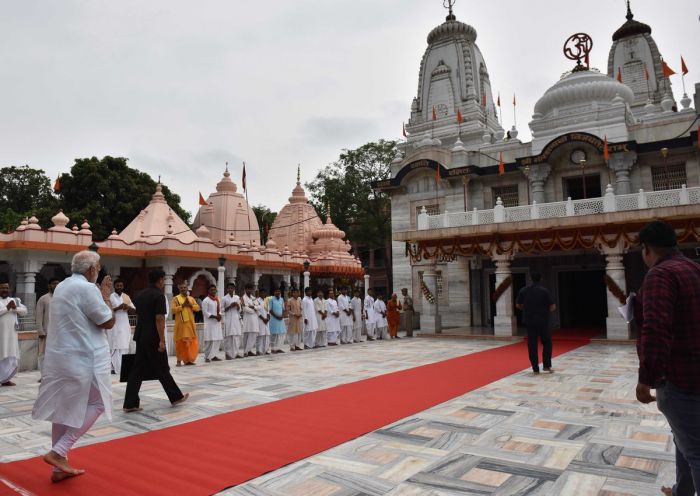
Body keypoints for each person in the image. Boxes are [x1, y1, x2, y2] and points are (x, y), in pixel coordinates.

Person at [32, 251, 114, 482]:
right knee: (98, 403)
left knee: (64, 408)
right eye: (98, 267)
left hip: (60, 357)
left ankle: (58, 468)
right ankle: (58, 452)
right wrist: (106, 296)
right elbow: (106, 321)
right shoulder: (88, 289)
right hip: (85, 357)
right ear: (91, 270)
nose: (98, 271)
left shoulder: (63, 286)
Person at [634, 221, 700, 496]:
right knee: (683, 439)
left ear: (646, 248)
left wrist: (645, 378)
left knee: (695, 449)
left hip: (679, 375)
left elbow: (656, 329)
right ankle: (681, 490)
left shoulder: (660, 275)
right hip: (696, 371)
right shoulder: (694, 268)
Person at [123, 269, 188, 413]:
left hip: (141, 336)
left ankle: (130, 403)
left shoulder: (139, 295)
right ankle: (175, 396)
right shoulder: (158, 296)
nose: (163, 282)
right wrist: (162, 340)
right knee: (162, 368)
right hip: (153, 337)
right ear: (160, 280)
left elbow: (138, 314)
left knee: (137, 370)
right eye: (163, 280)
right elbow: (159, 319)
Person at [516, 272, 556, 374]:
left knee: (532, 345)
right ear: (541, 279)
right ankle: (546, 366)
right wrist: (545, 310)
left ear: (531, 278)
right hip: (543, 320)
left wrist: (526, 309)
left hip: (529, 321)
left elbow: (518, 305)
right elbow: (552, 306)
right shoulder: (544, 291)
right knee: (547, 343)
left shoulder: (523, 290)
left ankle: (535, 368)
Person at [0, 276, 28, 387]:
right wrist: (7, 308)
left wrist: (14, 308)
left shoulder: (15, 300)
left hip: (12, 334)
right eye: (2, 288)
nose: (5, 290)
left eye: (6, 288)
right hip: (0, 335)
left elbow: (24, 311)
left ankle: (6, 379)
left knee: (11, 356)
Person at [108, 279, 135, 376]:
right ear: (114, 286)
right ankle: (113, 368)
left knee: (124, 346)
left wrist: (128, 308)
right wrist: (118, 308)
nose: (119, 287)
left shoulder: (126, 297)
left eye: (121, 285)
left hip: (125, 325)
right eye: (117, 285)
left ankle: (122, 368)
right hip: (114, 325)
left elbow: (134, 310)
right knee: (115, 347)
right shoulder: (110, 297)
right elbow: (107, 310)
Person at [35, 278, 59, 381]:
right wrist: (40, 331)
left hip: (58, 333)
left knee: (57, 355)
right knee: (43, 355)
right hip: (46, 332)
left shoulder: (62, 298)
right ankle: (43, 375)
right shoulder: (43, 299)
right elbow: (39, 315)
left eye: (58, 284)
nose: (56, 286)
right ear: (49, 285)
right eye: (53, 284)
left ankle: (54, 374)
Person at [171, 283, 200, 366]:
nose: (183, 289)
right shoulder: (176, 299)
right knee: (180, 342)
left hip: (190, 324)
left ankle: (189, 360)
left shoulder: (191, 299)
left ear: (187, 289)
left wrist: (190, 305)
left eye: (184, 287)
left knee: (190, 343)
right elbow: (173, 310)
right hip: (181, 325)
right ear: (179, 289)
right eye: (181, 288)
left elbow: (198, 308)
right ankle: (179, 360)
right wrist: (182, 306)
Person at [201, 284, 223, 362]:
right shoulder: (206, 300)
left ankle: (213, 355)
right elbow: (205, 313)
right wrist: (215, 317)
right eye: (211, 290)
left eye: (214, 290)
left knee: (217, 339)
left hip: (217, 323)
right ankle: (207, 356)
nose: (213, 291)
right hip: (209, 323)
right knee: (209, 340)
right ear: (208, 291)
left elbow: (220, 309)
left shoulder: (218, 299)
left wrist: (219, 315)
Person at [222, 283, 242, 359]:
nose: (230, 289)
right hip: (228, 319)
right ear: (227, 289)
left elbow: (240, 310)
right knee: (229, 337)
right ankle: (228, 354)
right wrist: (230, 306)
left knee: (236, 336)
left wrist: (237, 306)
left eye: (232, 288)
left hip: (236, 318)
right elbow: (222, 310)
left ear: (234, 289)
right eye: (229, 288)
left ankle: (236, 353)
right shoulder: (224, 298)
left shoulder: (237, 297)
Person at [241, 284, 259, 356]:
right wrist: (254, 309)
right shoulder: (243, 298)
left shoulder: (253, 298)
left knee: (253, 335)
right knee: (246, 336)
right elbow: (245, 308)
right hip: (247, 319)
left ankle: (248, 350)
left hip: (254, 320)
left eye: (251, 289)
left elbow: (259, 307)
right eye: (248, 289)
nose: (249, 290)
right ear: (245, 289)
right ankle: (246, 351)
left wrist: (253, 307)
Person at [269, 288, 287, 353]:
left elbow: (283, 309)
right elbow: (270, 310)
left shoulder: (281, 299)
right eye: (276, 291)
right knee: (274, 334)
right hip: (274, 319)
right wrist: (276, 316)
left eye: (279, 291)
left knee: (281, 333)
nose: (278, 292)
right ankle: (273, 349)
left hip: (281, 319)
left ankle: (278, 348)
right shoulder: (271, 299)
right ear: (274, 292)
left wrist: (282, 315)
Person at [256, 289, 271, 355]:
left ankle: (266, 350)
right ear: (259, 293)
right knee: (260, 336)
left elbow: (268, 311)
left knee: (267, 335)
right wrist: (263, 319)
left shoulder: (266, 300)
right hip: (260, 320)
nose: (263, 294)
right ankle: (259, 350)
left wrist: (267, 318)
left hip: (266, 321)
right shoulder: (257, 301)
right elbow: (257, 312)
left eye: (264, 293)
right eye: (261, 293)